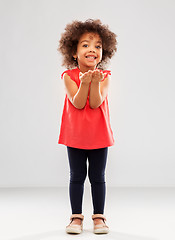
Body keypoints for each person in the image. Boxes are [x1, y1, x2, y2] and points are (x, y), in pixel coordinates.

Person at [57, 18, 117, 234]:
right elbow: (79, 103)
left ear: (104, 51)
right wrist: (84, 82)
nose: (92, 49)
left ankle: (99, 218)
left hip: (99, 135)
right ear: (74, 52)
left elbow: (95, 102)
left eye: (98, 46)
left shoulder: (105, 77)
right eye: (86, 45)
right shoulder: (68, 77)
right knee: (76, 176)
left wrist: (94, 82)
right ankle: (76, 217)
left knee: (98, 177)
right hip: (75, 136)